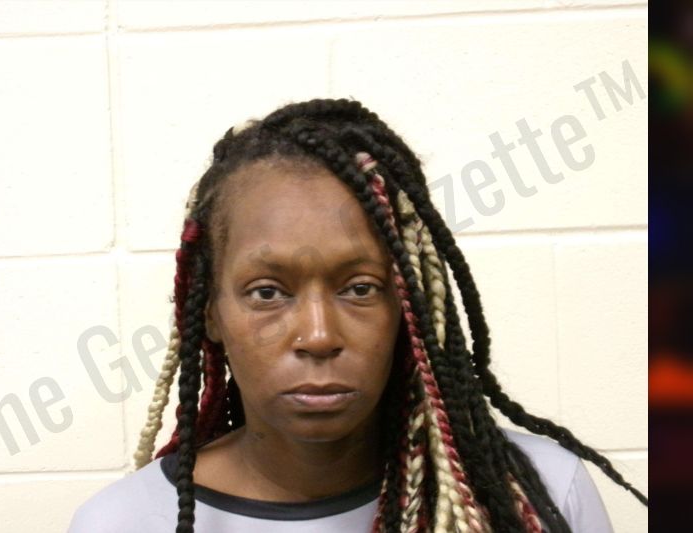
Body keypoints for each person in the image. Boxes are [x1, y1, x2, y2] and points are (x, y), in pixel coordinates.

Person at [69, 99, 647, 532]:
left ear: (410, 307)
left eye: (360, 288)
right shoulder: (120, 522)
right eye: (267, 293)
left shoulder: (542, 497)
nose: (318, 335)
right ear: (210, 314)